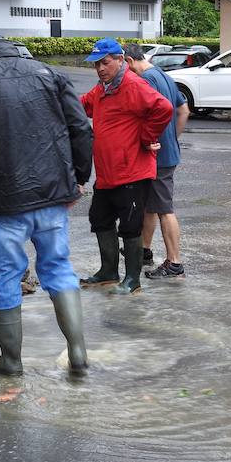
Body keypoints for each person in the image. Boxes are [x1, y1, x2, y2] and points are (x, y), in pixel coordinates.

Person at [0, 32, 93, 376]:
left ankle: (11, 361)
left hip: (3, 201)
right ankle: (78, 351)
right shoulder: (51, 75)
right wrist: (78, 180)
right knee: (58, 268)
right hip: (53, 195)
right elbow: (81, 130)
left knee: (6, 276)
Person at [79, 38, 173, 295]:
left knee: (130, 226)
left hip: (131, 171)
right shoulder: (102, 88)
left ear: (120, 60)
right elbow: (84, 105)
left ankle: (133, 280)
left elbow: (163, 108)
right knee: (99, 219)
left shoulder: (133, 85)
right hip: (108, 173)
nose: (100, 68)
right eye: (96, 64)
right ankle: (108, 271)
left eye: (105, 62)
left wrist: (147, 137)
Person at [123, 43, 190, 279]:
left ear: (129, 62)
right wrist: (172, 137)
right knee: (151, 206)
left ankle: (174, 263)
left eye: (124, 68)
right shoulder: (162, 74)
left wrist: (157, 139)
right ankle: (145, 251)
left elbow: (144, 116)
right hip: (166, 152)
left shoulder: (146, 80)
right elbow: (183, 110)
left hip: (158, 156)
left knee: (164, 209)